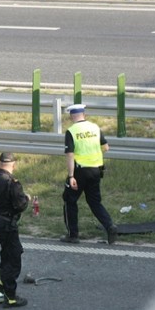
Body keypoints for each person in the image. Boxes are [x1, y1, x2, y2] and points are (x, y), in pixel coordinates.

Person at [60, 104, 117, 245]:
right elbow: (106, 147)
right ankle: (110, 226)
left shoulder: (72, 131)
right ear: (84, 114)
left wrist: (71, 176)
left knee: (69, 200)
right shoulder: (95, 128)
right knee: (94, 201)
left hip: (80, 171)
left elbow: (70, 155)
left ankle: (73, 235)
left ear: (71, 116)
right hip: (96, 170)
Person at [0, 152, 31, 308]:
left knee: (7, 251)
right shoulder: (12, 183)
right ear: (14, 165)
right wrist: (26, 199)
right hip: (6, 224)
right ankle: (11, 296)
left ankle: (1, 279)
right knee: (15, 256)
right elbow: (20, 205)